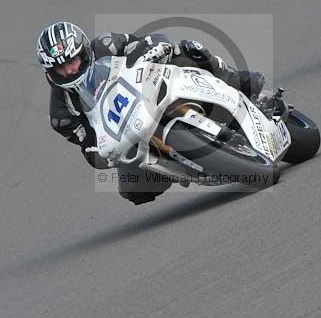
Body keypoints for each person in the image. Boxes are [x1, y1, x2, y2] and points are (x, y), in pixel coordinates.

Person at [37, 21, 265, 205]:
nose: (69, 70)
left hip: (148, 89)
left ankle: (239, 82)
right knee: (135, 191)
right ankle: (182, 164)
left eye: (73, 60)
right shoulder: (61, 113)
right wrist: (101, 153)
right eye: (61, 67)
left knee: (186, 51)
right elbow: (88, 147)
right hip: (128, 135)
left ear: (84, 51)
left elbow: (144, 42)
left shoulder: (107, 45)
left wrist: (156, 47)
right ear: (51, 71)